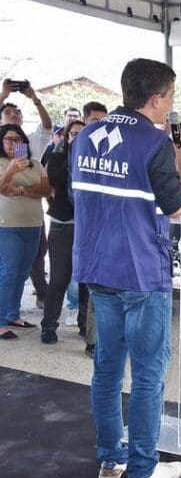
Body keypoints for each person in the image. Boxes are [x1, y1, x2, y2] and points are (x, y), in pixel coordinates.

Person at [70, 58, 181, 478]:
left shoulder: (85, 135)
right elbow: (177, 205)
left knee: (106, 368)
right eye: (170, 97)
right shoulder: (154, 143)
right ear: (156, 99)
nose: (170, 105)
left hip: (95, 265)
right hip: (140, 270)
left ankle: (110, 459)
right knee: (148, 373)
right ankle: (142, 469)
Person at [39, 120, 90, 344]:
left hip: (88, 226)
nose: (78, 138)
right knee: (59, 278)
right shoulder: (58, 156)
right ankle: (49, 325)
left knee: (87, 281)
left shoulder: (93, 160)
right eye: (74, 134)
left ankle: (84, 324)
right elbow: (53, 183)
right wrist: (67, 155)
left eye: (83, 134)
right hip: (63, 224)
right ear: (67, 136)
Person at [0, 124, 51, 339]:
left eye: (18, 140)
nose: (14, 143)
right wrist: (10, 170)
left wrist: (20, 190)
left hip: (32, 224)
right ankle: (1, 319)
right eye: (9, 139)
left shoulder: (36, 164)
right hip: (6, 225)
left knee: (22, 273)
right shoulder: (3, 164)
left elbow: (46, 190)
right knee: (8, 273)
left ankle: (13, 314)